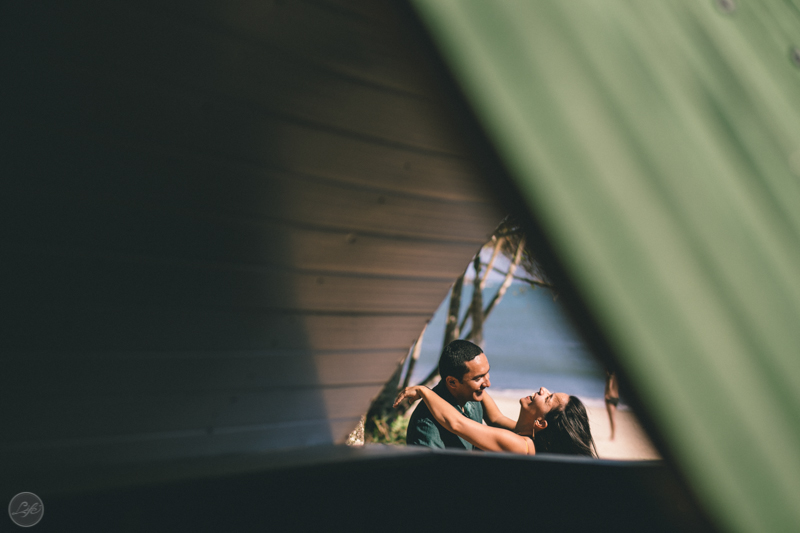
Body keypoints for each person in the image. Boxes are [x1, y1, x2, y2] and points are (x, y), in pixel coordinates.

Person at [395, 384, 597, 457]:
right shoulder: (525, 436)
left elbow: (457, 424)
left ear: (541, 423)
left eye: (549, 398)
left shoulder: (521, 446)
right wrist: (472, 382)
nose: (543, 389)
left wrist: (424, 391)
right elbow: (495, 418)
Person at [404, 340, 507, 449]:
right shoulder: (427, 425)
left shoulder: (472, 394)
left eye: (487, 373)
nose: (488, 383)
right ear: (452, 382)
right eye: (478, 378)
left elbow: (496, 419)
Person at [605, 369, 619, 441]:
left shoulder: (610, 373)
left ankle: (612, 436)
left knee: (611, 418)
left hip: (610, 397)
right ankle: (613, 435)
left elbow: (609, 382)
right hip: (616, 397)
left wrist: (608, 393)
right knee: (613, 417)